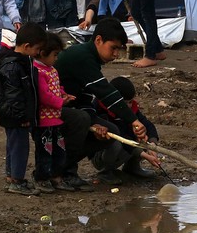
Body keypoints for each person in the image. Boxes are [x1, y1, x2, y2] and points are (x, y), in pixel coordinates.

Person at [55, 18, 149, 185]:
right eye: (113, 48)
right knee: (82, 120)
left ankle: (64, 166)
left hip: (69, 108)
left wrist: (95, 123)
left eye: (118, 50)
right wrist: (133, 120)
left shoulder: (90, 59)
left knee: (109, 130)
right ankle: (63, 170)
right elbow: (105, 92)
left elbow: (84, 98)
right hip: (51, 110)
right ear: (98, 40)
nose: (116, 55)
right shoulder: (82, 57)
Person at [0, 22, 47, 195]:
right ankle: (16, 180)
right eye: (37, 49)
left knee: (13, 145)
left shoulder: (20, 62)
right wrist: (22, 117)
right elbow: (14, 95)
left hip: (12, 114)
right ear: (27, 46)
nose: (38, 53)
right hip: (16, 116)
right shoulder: (14, 66)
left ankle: (12, 177)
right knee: (19, 147)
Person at [32, 33, 77, 193]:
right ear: (43, 53)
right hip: (43, 120)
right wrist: (60, 101)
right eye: (55, 55)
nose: (56, 58)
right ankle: (41, 178)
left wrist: (63, 94)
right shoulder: (37, 71)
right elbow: (43, 95)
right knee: (44, 151)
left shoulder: (51, 69)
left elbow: (56, 87)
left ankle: (56, 177)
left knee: (59, 151)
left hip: (55, 119)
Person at [98, 76, 162, 178]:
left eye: (130, 102)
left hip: (127, 146)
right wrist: (145, 155)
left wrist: (152, 145)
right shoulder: (102, 111)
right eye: (124, 102)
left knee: (142, 133)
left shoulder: (132, 110)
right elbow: (121, 136)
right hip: (103, 152)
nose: (128, 106)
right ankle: (105, 171)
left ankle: (132, 167)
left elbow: (147, 125)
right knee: (116, 143)